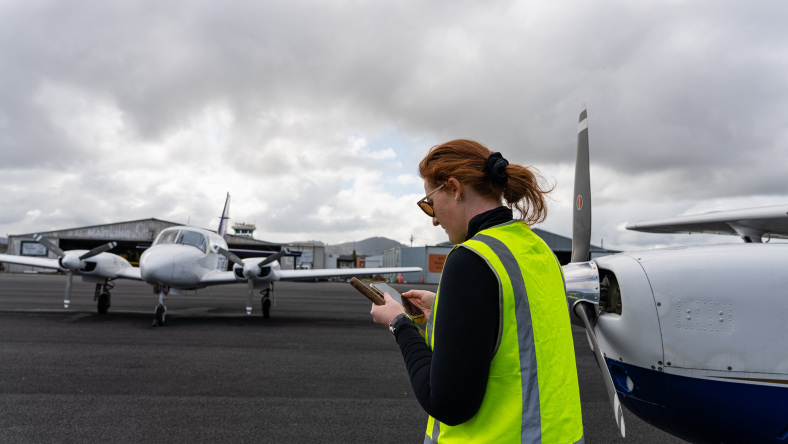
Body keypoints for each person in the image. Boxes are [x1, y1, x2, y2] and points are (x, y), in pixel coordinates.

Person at [370, 139, 584, 443]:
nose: (433, 219)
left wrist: (399, 323)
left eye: (430, 203)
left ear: (454, 188)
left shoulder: (471, 260)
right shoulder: (539, 250)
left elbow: (448, 405)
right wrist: (446, 309)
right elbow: (521, 329)